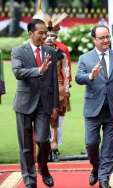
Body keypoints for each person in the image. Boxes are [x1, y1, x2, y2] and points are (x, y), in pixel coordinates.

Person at [76, 25, 113, 188]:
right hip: (93, 108)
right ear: (94, 39)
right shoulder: (85, 58)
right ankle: (95, 167)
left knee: (109, 146)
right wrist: (89, 76)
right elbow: (78, 77)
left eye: (108, 37)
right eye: (102, 38)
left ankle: (104, 177)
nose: (106, 40)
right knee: (91, 143)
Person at [11, 19, 58, 188]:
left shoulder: (50, 52)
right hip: (23, 104)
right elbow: (17, 72)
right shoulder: (18, 51)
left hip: (44, 105)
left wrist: (55, 106)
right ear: (30, 33)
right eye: (41, 33)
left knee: (43, 140)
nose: (45, 36)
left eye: (46, 33)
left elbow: (53, 81)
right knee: (25, 146)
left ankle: (43, 169)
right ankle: (30, 180)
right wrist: (38, 70)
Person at [44, 15, 71, 161]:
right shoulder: (38, 51)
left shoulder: (62, 52)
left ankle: (55, 148)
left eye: (53, 35)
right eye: (47, 35)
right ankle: (45, 147)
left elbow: (66, 73)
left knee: (58, 121)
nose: (49, 38)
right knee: (43, 120)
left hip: (59, 89)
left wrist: (66, 91)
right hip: (42, 91)